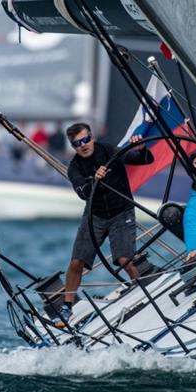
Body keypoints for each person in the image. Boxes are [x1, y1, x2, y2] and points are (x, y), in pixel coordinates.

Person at [58, 122, 154, 323]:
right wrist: (95, 180)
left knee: (124, 259)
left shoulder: (109, 151)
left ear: (92, 138)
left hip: (122, 212)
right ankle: (67, 306)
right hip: (95, 216)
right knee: (77, 262)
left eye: (85, 140)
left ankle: (143, 294)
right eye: (77, 143)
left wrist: (140, 148)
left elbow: (144, 160)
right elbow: (83, 193)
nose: (83, 145)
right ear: (73, 146)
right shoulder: (74, 167)